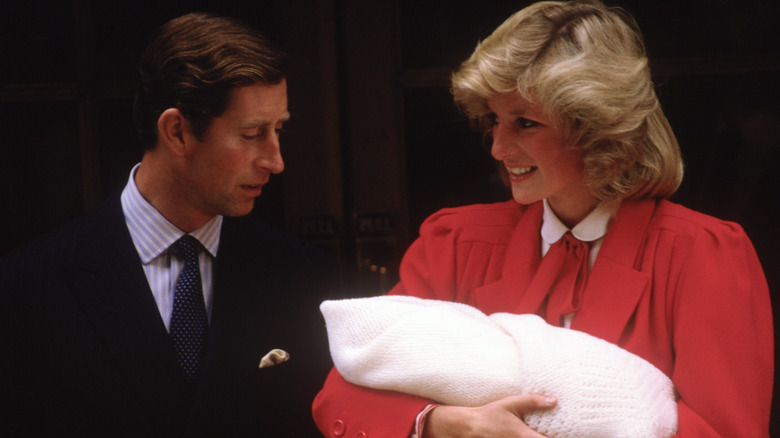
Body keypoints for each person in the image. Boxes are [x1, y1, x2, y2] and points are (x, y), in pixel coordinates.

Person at [312, 1, 773, 437]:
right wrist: (446, 424)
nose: (497, 147)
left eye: (525, 122)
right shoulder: (453, 242)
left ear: (595, 123)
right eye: (493, 119)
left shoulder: (700, 254)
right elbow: (343, 393)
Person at [0, 12, 335, 437]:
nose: (276, 160)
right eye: (252, 134)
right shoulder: (27, 288)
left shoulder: (302, 275)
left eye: (279, 129)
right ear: (176, 131)